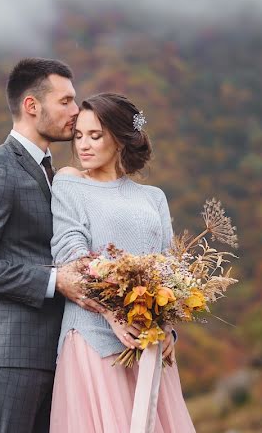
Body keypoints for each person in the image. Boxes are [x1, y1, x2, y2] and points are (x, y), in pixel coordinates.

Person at [0, 58, 102, 433]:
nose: (76, 110)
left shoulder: (58, 174)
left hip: (61, 353)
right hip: (11, 354)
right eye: (65, 101)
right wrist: (54, 281)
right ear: (32, 106)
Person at [50, 92, 196, 432]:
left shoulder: (153, 197)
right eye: (79, 136)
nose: (83, 145)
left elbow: (168, 267)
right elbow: (71, 256)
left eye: (95, 136)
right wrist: (114, 316)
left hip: (149, 343)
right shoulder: (70, 183)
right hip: (94, 337)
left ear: (119, 139)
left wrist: (167, 327)